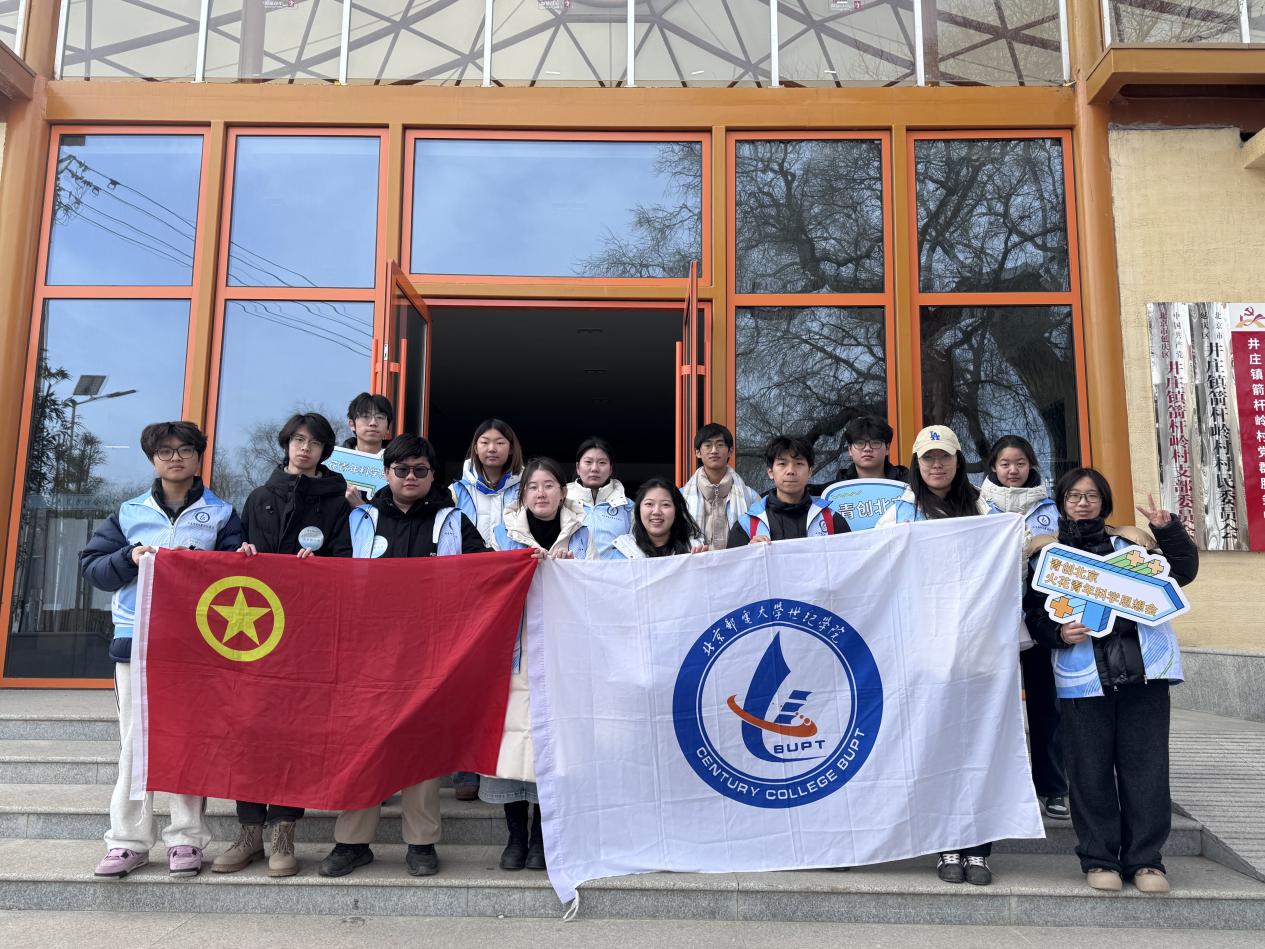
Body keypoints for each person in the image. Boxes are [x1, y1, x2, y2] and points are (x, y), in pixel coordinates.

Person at [317, 434, 490, 879]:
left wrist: (528, 562)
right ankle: (352, 842)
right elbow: (331, 576)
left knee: (422, 746)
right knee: (363, 745)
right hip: (368, 652)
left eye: (420, 470)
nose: (410, 477)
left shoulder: (453, 522)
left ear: (432, 475)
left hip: (431, 653)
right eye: (401, 470)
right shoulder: (360, 519)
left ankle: (421, 842)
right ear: (385, 473)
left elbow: (487, 572)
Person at [80, 421, 243, 880]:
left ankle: (186, 837)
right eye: (165, 451)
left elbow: (237, 573)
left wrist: (235, 557)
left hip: (196, 645)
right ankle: (127, 842)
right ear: (153, 459)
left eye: (185, 449)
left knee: (189, 738)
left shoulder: (222, 513)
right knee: (136, 741)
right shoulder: (128, 512)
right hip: (136, 641)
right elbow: (93, 568)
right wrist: (128, 557)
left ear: (198, 457)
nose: (175, 458)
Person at [1024, 470, 1198, 894]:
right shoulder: (1048, 558)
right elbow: (1034, 615)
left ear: (1104, 501)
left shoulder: (1133, 546)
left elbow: (1182, 572)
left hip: (1145, 673)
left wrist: (1167, 530)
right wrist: (1058, 633)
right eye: (1074, 496)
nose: (1082, 503)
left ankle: (1146, 861)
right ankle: (1099, 858)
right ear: (1062, 503)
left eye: (1091, 496)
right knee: (1089, 772)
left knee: (1146, 770)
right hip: (1082, 679)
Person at [215, 412, 353, 878]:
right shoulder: (259, 497)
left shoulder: (338, 503)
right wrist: (243, 555)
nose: (304, 448)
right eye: (297, 439)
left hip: (307, 634)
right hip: (255, 635)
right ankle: (248, 833)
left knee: (295, 732)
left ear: (325, 450)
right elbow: (235, 554)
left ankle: (284, 834)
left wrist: (322, 565)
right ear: (286, 444)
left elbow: (348, 563)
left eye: (313, 442)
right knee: (249, 729)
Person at [876, 425, 998, 886]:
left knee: (982, 745)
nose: (936, 465)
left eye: (944, 456)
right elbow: (876, 569)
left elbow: (1013, 564)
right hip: (924, 649)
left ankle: (979, 848)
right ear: (916, 464)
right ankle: (946, 843)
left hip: (978, 647)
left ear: (958, 460)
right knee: (936, 745)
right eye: (927, 458)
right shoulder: (899, 512)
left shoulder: (986, 508)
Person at [490, 457, 594, 870]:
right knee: (512, 745)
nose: (541, 493)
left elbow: (600, 589)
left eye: (549, 485)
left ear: (563, 491)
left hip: (563, 654)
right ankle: (515, 836)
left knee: (550, 746)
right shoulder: (502, 534)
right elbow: (487, 588)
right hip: (512, 654)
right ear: (522, 495)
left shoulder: (583, 534)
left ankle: (541, 838)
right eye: (532, 487)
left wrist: (574, 574)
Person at [980, 435, 1068, 822]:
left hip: (1039, 614)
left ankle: (1052, 787)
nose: (1012, 470)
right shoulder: (977, 505)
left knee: (1046, 703)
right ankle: (998, 786)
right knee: (992, 705)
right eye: (1004, 464)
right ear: (993, 468)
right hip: (991, 615)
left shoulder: (1051, 508)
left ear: (1031, 464)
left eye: (1019, 463)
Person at [727, 435, 848, 547]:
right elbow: (734, 563)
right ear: (770, 472)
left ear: (810, 472)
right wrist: (749, 552)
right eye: (782, 464)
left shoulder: (831, 519)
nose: (791, 471)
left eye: (799, 463)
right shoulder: (747, 525)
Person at [679, 423, 757, 551]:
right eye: (708, 445)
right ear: (697, 452)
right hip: (696, 562)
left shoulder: (751, 497)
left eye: (720, 445)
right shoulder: (680, 497)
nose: (714, 450)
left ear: (730, 451)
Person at [450, 418, 525, 546]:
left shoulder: (526, 489)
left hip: (513, 559)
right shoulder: (456, 491)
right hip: (469, 558)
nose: (491, 449)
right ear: (476, 448)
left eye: (500, 443)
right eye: (485, 442)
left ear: (511, 448)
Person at [567, 436, 633, 560]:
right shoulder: (561, 502)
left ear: (611, 469)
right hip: (571, 571)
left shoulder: (628, 507)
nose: (594, 469)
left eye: (602, 462)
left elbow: (638, 548)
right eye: (588, 462)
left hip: (615, 572)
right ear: (578, 467)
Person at [611, 477, 707, 558]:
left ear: (676, 511)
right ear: (638, 510)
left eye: (665, 504)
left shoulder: (695, 551)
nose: (656, 512)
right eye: (649, 504)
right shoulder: (622, 552)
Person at [343, 392, 394, 509]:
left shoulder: (398, 465)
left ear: (388, 427)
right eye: (365, 416)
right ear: (352, 424)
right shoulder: (333, 460)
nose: (373, 423)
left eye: (380, 417)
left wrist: (362, 507)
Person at [835, 415, 909, 482]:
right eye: (860, 443)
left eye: (875, 443)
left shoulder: (909, 487)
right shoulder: (833, 490)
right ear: (850, 449)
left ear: (887, 448)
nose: (867, 448)